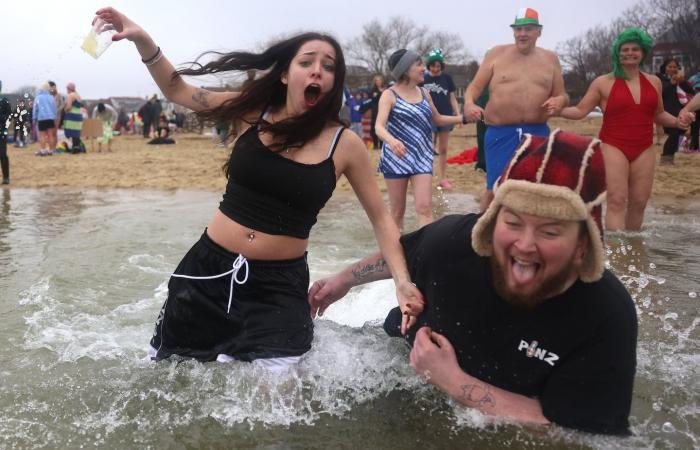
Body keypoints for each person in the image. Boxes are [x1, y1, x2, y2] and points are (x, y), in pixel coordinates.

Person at [94, 7, 422, 369]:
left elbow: (381, 218)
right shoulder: (250, 112)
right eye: (307, 62)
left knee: (276, 402)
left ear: (333, 84)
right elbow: (178, 90)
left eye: (328, 67)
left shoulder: (344, 145)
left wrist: (402, 282)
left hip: (278, 289)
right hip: (208, 271)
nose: (317, 70)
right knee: (168, 377)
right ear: (284, 74)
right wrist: (142, 38)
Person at [309, 130, 637, 435]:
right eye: (512, 222)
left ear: (583, 245)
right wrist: (344, 280)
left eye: (550, 232)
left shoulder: (605, 316)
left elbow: (573, 431)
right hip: (399, 363)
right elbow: (405, 256)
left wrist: (453, 381)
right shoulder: (454, 241)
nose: (524, 245)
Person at [559, 29, 689, 231]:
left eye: (635, 49)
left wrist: (678, 122)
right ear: (617, 53)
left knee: (639, 203)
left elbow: (659, 114)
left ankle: (633, 251)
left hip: (644, 147)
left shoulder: (654, 82)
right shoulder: (602, 82)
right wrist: (557, 110)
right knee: (617, 200)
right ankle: (617, 251)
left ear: (643, 52)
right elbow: (579, 110)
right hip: (613, 145)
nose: (629, 53)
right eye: (624, 49)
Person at [463, 8, 568, 211]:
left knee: (534, 187)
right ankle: (481, 233)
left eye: (528, 29)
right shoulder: (496, 54)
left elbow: (562, 94)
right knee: (495, 187)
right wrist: (469, 103)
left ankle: (525, 234)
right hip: (500, 131)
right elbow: (474, 87)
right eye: (518, 29)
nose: (522, 34)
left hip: (537, 132)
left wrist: (559, 101)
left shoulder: (550, 59)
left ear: (539, 31)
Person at [376, 49, 464, 230]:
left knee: (425, 208)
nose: (423, 68)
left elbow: (438, 119)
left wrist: (463, 118)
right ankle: (394, 253)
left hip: (422, 156)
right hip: (396, 158)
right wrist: (392, 141)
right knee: (397, 212)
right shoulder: (389, 95)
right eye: (419, 64)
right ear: (405, 69)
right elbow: (379, 127)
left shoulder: (424, 93)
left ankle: (426, 253)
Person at [421, 48, 460, 190]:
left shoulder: (447, 78)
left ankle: (442, 178)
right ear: (429, 66)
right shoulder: (423, 79)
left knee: (443, 149)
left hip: (445, 116)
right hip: (427, 117)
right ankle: (425, 178)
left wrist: (457, 115)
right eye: (433, 65)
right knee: (429, 147)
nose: (436, 68)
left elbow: (452, 97)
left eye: (438, 66)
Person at [658, 58, 695, 164]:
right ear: (665, 68)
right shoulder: (660, 79)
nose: (672, 69)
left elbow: (691, 92)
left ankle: (670, 156)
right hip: (665, 111)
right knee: (674, 133)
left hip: (679, 111)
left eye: (675, 67)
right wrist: (672, 84)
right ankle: (666, 157)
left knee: (680, 132)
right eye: (670, 66)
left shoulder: (681, 79)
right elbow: (661, 93)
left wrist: (681, 81)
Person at [32, 82, 58, 156]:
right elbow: (54, 109)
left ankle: (43, 150)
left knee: (42, 135)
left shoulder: (38, 97)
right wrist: (54, 117)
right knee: (51, 135)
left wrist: (34, 118)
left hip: (41, 118)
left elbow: (35, 109)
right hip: (50, 118)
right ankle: (51, 150)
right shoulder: (51, 97)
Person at [63, 82, 85, 153]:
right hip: (78, 115)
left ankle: (75, 148)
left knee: (71, 132)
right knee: (76, 132)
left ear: (69, 89)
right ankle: (77, 146)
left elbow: (69, 107)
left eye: (67, 88)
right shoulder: (78, 95)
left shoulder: (70, 95)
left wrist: (64, 109)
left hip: (72, 116)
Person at [369, 74, 386, 150]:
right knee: (375, 127)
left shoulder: (385, 89)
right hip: (375, 111)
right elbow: (373, 98)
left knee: (383, 127)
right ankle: (375, 145)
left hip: (383, 110)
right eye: (377, 80)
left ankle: (382, 145)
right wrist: (379, 92)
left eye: (379, 80)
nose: (378, 82)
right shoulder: (373, 89)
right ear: (375, 82)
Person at [0, 81, 11, 184]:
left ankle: (6, 177)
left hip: (2, 133)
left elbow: (9, 118)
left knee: (2, 154)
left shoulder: (4, 101)